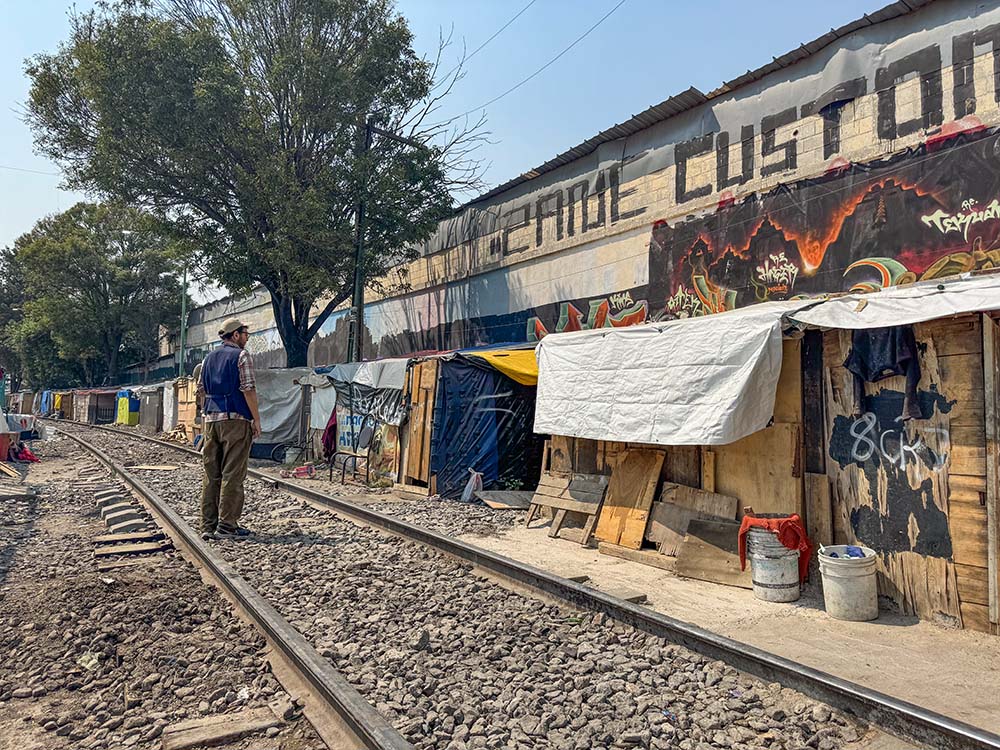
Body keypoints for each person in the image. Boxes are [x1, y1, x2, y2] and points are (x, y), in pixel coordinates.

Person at [197, 318, 262, 540]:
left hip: (211, 421)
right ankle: (226, 527)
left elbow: (201, 391)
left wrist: (205, 417)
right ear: (235, 335)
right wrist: (256, 419)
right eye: (245, 334)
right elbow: (248, 390)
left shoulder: (207, 359)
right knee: (232, 473)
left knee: (211, 474)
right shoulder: (241, 356)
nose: (246, 338)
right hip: (236, 420)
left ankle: (208, 525)